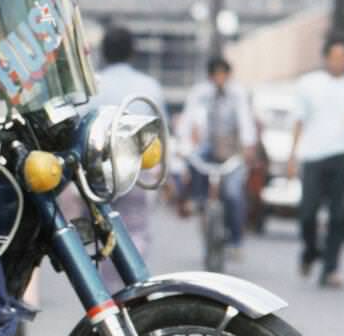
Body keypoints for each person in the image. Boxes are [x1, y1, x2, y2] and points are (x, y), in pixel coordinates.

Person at [286, 35, 344, 288]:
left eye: (343, 58)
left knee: (338, 214)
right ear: (325, 58)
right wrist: (293, 155)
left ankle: (331, 268)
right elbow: (298, 121)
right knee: (307, 212)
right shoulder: (309, 84)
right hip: (313, 154)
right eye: (334, 57)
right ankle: (310, 251)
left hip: (342, 154)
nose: (339, 62)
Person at [85, 25, 166, 255]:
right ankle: (132, 285)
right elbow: (162, 136)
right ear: (132, 53)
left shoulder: (92, 87)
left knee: (100, 231)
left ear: (104, 52)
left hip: (96, 173)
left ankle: (103, 286)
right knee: (136, 231)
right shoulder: (150, 87)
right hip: (138, 171)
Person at [181, 56, 257, 250]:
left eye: (223, 74)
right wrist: (185, 145)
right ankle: (196, 201)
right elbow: (188, 120)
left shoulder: (238, 94)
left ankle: (236, 241)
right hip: (208, 149)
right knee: (194, 164)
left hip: (232, 153)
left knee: (233, 195)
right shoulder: (200, 94)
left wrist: (248, 146)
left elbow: (246, 121)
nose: (219, 78)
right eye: (216, 74)